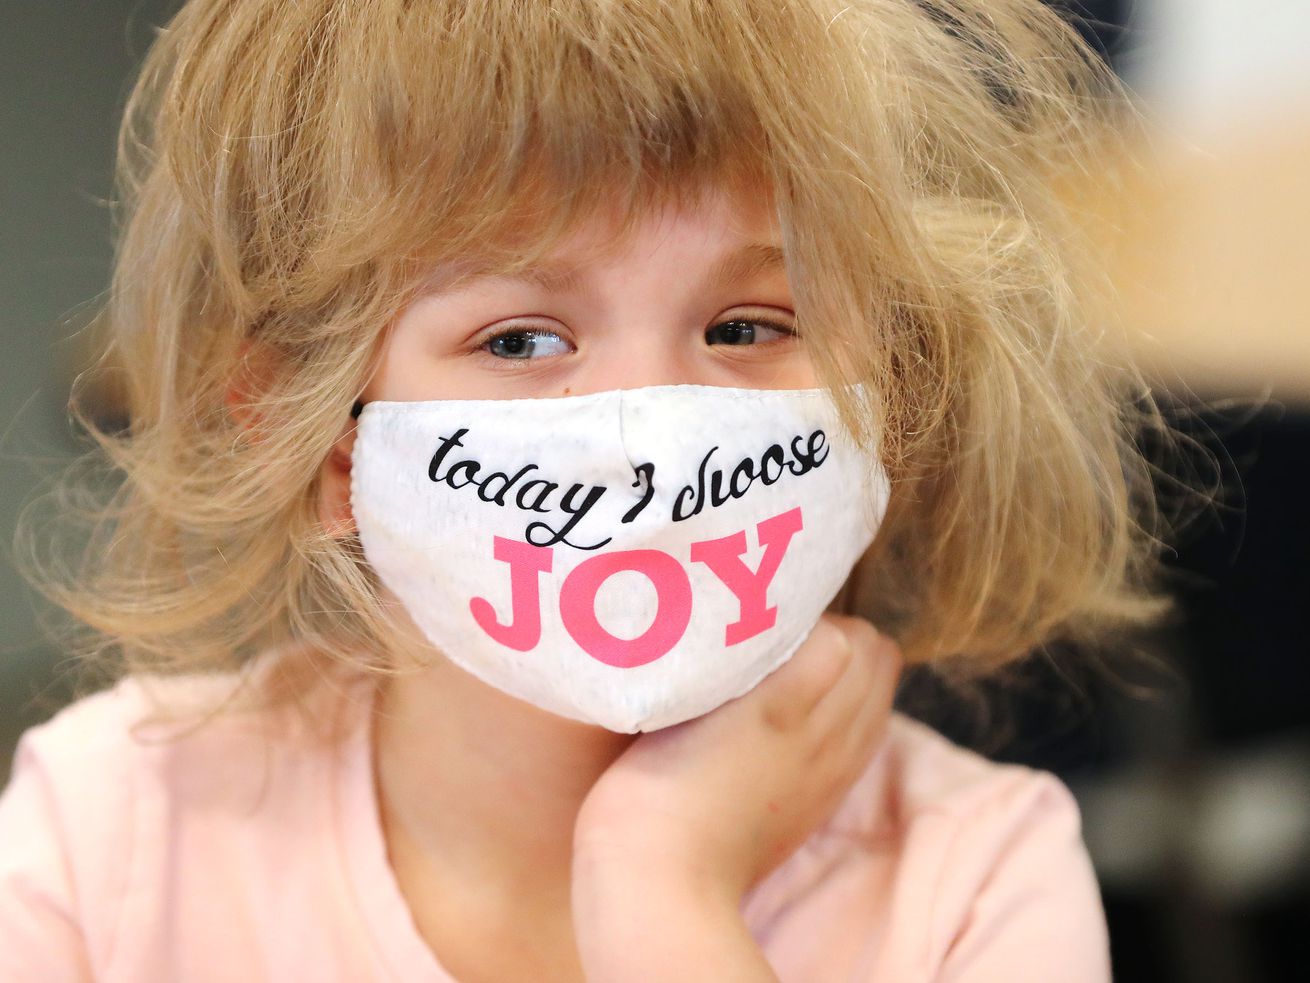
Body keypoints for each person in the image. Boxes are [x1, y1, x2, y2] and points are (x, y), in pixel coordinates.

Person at [0, 0, 1165, 979]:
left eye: (747, 325)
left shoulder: (975, 876)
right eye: (519, 340)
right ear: (323, 444)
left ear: (898, 395)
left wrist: (663, 886)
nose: (644, 424)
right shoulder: (112, 838)